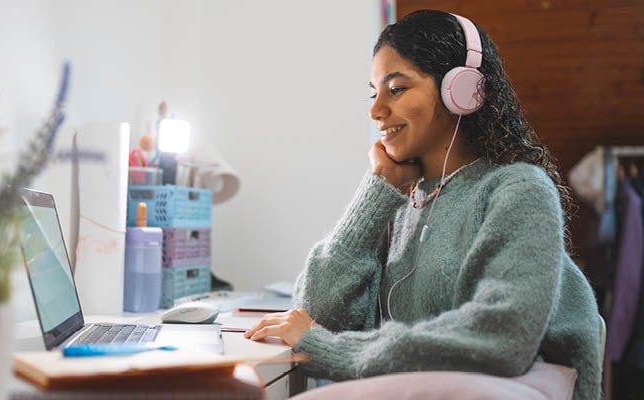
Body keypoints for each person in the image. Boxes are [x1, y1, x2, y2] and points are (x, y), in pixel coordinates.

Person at [243, 9, 601, 400]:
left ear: (462, 91)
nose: (375, 110)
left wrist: (327, 349)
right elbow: (317, 314)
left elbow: (502, 340)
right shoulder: (402, 197)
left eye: (396, 89)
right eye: (373, 92)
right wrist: (376, 190)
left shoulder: (518, 190)